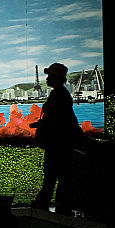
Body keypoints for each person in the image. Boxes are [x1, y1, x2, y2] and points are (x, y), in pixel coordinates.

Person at [30, 62, 83, 209]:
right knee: (59, 176)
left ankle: (49, 203)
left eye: (49, 76)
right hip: (60, 143)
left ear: (57, 78)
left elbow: (58, 121)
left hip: (57, 144)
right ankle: (59, 204)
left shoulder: (58, 95)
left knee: (52, 175)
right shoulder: (61, 94)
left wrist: (42, 125)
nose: (46, 79)